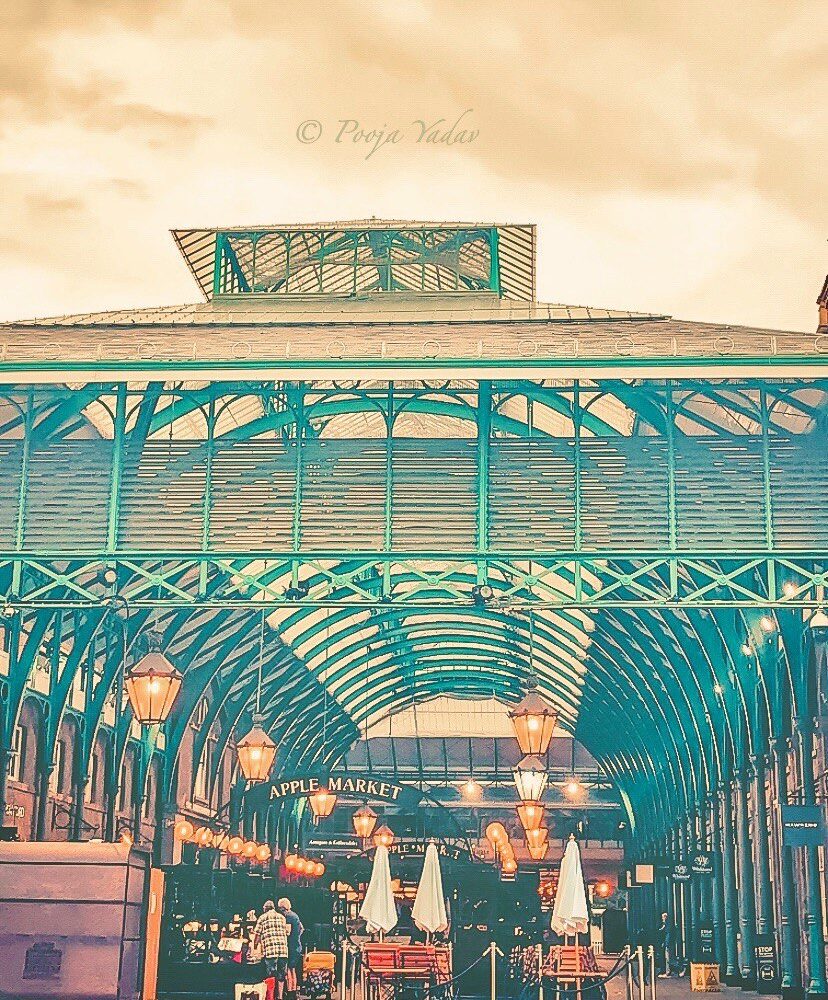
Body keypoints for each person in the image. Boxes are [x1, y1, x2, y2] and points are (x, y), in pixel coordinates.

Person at [252, 900, 289, 997]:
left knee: (271, 975)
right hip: (283, 951)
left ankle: (271, 997)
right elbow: (286, 932)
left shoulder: (262, 918)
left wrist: (255, 946)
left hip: (270, 951)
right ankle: (280, 996)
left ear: (264, 909)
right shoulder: (282, 917)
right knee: (281, 976)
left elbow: (257, 935)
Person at [278, 897, 304, 1000]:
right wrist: (297, 936)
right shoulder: (295, 915)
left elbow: (287, 932)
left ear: (282, 907)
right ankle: (293, 990)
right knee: (293, 969)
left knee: (287, 969)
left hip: (290, 946)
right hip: (297, 945)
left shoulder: (287, 916)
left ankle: (289, 992)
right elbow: (302, 928)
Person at [657, 912, 672, 977]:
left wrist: (666, 943)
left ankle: (668, 971)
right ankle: (665, 971)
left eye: (663, 917)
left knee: (667, 958)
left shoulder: (667, 925)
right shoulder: (664, 925)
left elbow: (667, 934)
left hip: (666, 944)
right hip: (664, 943)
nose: (662, 918)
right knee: (665, 958)